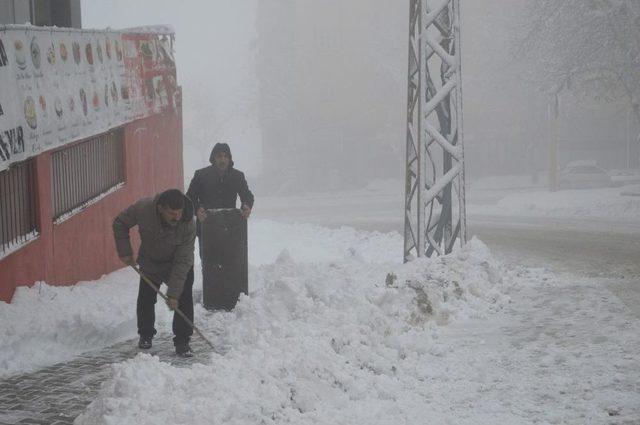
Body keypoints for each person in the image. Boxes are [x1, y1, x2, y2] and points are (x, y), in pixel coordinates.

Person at [112, 189, 196, 357]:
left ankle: (182, 341)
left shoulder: (189, 223)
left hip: (178, 264)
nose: (177, 217)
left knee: (183, 299)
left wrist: (173, 294)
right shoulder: (143, 209)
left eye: (179, 212)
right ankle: (145, 335)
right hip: (151, 261)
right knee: (145, 299)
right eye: (172, 213)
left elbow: (183, 260)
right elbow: (120, 223)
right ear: (160, 208)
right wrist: (125, 251)